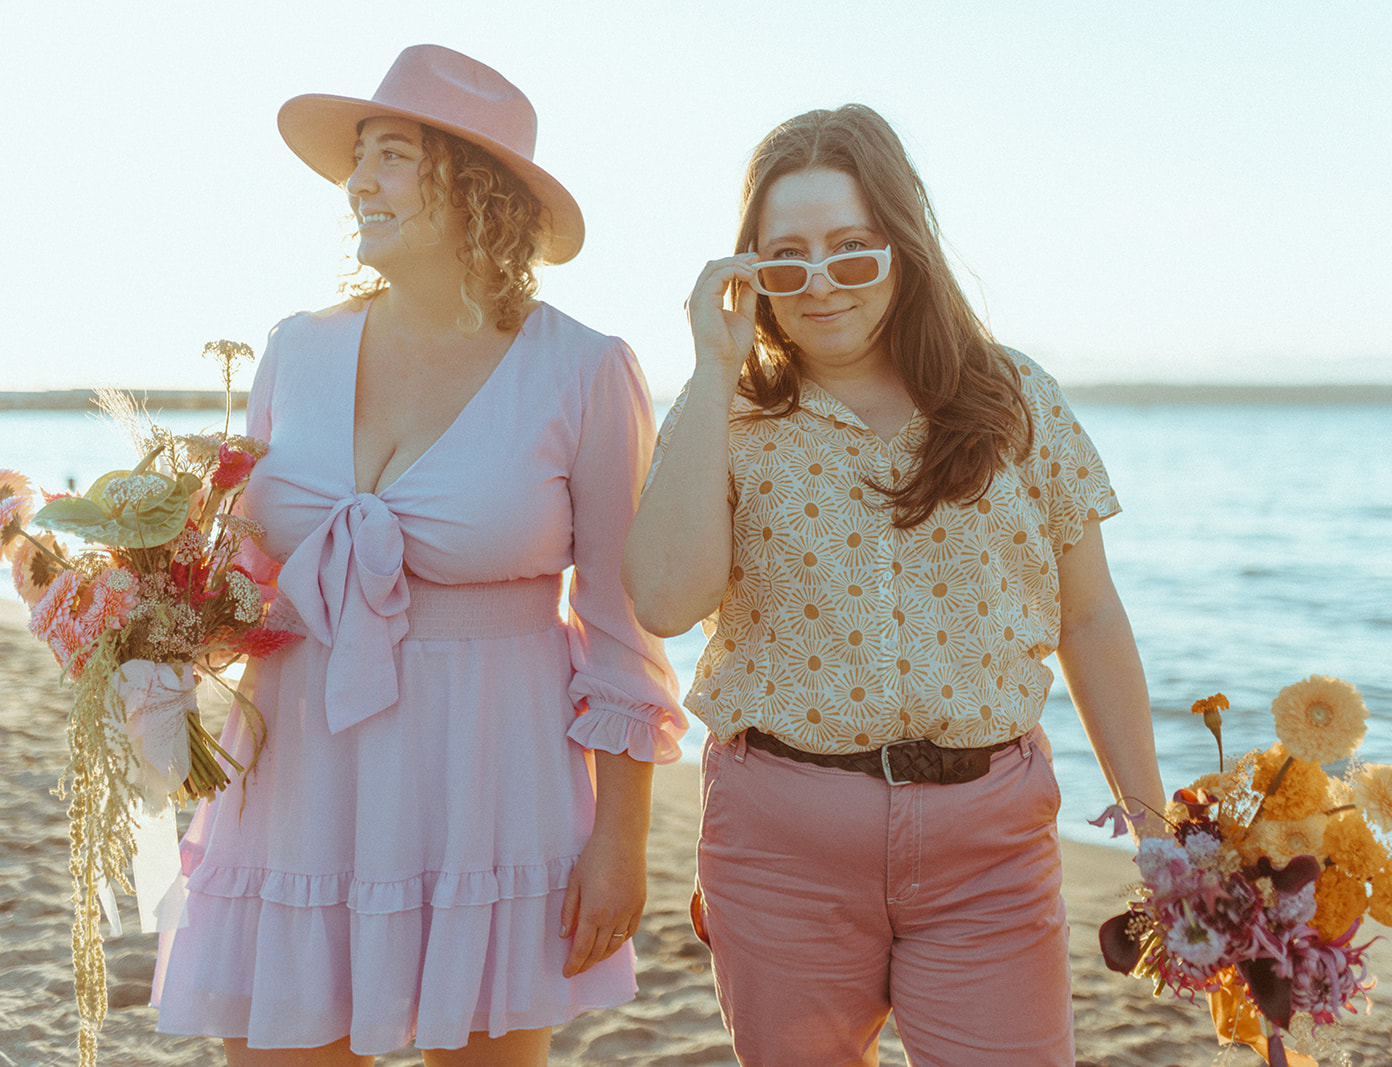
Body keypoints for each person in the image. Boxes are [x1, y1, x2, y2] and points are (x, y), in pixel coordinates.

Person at [151, 45, 685, 1067]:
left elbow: (624, 629)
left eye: (389, 156)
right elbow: (238, 579)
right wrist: (127, 620)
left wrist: (621, 838)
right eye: (360, 157)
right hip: (298, 769)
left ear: (476, 188)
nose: (355, 183)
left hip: (492, 778)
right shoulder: (293, 347)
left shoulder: (584, 369)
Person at [622, 104, 1165, 1065]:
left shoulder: (1014, 397)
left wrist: (1155, 826)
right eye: (786, 258)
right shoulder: (726, 412)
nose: (820, 283)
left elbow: (1088, 616)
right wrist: (711, 368)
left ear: (903, 249)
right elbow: (664, 602)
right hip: (781, 846)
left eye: (852, 250)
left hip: (988, 847)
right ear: (751, 272)